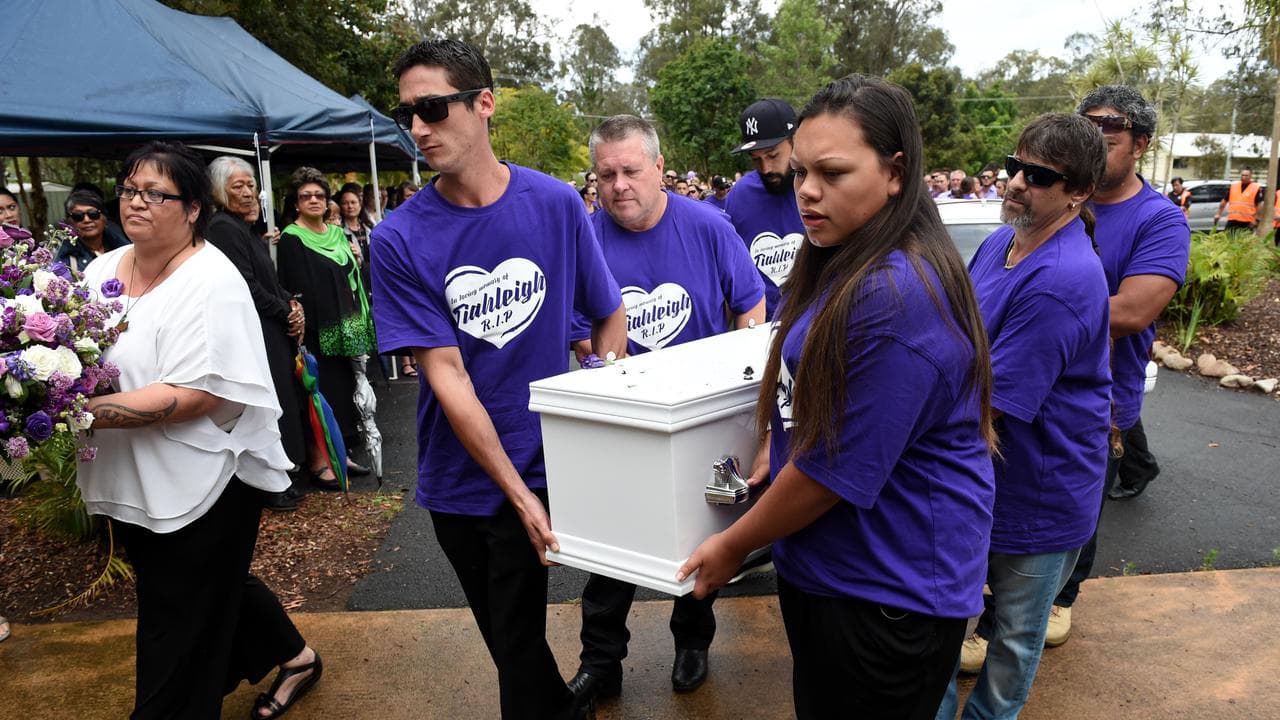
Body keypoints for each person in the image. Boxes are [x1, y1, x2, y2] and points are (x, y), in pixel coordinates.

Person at [677, 74, 997, 720]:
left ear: (896, 172)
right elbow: (810, 399)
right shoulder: (845, 255)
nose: (807, 190)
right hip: (841, 570)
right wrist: (774, 439)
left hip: (885, 592)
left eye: (832, 172)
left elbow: (831, 474)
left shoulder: (895, 295)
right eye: (800, 172)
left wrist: (734, 545)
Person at [371, 38, 627, 720]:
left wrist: (601, 413)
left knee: (516, 649)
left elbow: (609, 314)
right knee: (513, 647)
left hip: (545, 460)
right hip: (462, 481)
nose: (418, 128)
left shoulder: (556, 203)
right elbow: (447, 376)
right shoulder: (398, 238)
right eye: (407, 114)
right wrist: (517, 496)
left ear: (483, 103)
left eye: (432, 108)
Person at [78, 140, 321, 720]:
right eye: (129, 189)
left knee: (176, 622)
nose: (136, 202)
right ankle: (296, 657)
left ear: (192, 209)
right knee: (203, 587)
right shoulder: (101, 269)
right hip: (138, 471)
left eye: (155, 193)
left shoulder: (211, 281)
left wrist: (76, 410)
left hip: (208, 478)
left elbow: (196, 395)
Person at [565, 115, 765, 707]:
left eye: (630, 170)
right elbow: (581, 333)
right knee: (610, 548)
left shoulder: (709, 226)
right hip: (621, 420)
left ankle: (692, 642)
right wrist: (612, 368)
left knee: (697, 537)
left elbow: (750, 308)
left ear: (658, 167)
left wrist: (737, 385)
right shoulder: (585, 238)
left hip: (701, 418)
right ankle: (601, 663)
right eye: (606, 175)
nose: (618, 185)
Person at [937, 113, 1111, 719]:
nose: (1015, 182)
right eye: (1015, 165)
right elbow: (954, 334)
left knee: (1013, 635)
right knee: (944, 618)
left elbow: (991, 405)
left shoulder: (1062, 278)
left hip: (1041, 487)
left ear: (1079, 192)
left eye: (1038, 176)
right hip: (984, 472)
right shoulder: (998, 244)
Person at [1048, 84, 1190, 644]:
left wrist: (1034, 309)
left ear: (1141, 144)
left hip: (1100, 401)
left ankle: (1059, 599)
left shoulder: (1159, 220)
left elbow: (1132, 311)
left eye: (1108, 133)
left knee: (1075, 510)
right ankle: (1006, 602)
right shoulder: (1059, 201)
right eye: (1085, 129)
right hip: (1026, 384)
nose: (1093, 141)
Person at [205, 156, 308, 511]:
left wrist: (292, 304)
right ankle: (271, 484)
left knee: (283, 400)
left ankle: (283, 476)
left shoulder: (241, 227)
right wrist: (285, 311)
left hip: (271, 326)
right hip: (257, 331)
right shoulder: (222, 228)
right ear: (219, 191)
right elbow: (246, 286)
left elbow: (268, 280)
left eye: (251, 185)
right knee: (268, 406)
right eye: (238, 186)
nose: (249, 193)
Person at [276, 167, 375, 490]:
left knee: (344, 391)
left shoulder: (336, 233)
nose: (314, 200)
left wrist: (357, 259)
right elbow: (291, 288)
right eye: (306, 196)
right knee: (320, 393)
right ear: (296, 202)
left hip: (347, 326)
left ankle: (341, 453)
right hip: (316, 331)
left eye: (319, 195)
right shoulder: (291, 238)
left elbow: (350, 276)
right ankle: (320, 460)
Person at [726, 98, 806, 321]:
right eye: (756, 159)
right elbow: (731, 270)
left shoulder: (820, 188)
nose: (766, 168)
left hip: (818, 322)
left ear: (796, 140)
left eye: (772, 155)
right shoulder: (740, 196)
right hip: (762, 329)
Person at [58, 190, 130, 272]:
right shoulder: (62, 256)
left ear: (104, 218)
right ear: (69, 222)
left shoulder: (124, 248)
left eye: (93, 214)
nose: (87, 220)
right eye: (78, 216)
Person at [1215, 167, 1263, 232]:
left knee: (1244, 238)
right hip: (1232, 220)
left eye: (1246, 175)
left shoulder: (1256, 188)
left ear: (1250, 176)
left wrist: (1256, 220)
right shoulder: (1234, 186)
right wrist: (1218, 213)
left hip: (1247, 221)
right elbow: (1224, 200)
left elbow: (1260, 205)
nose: (1244, 177)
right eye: (1242, 175)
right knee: (1227, 237)